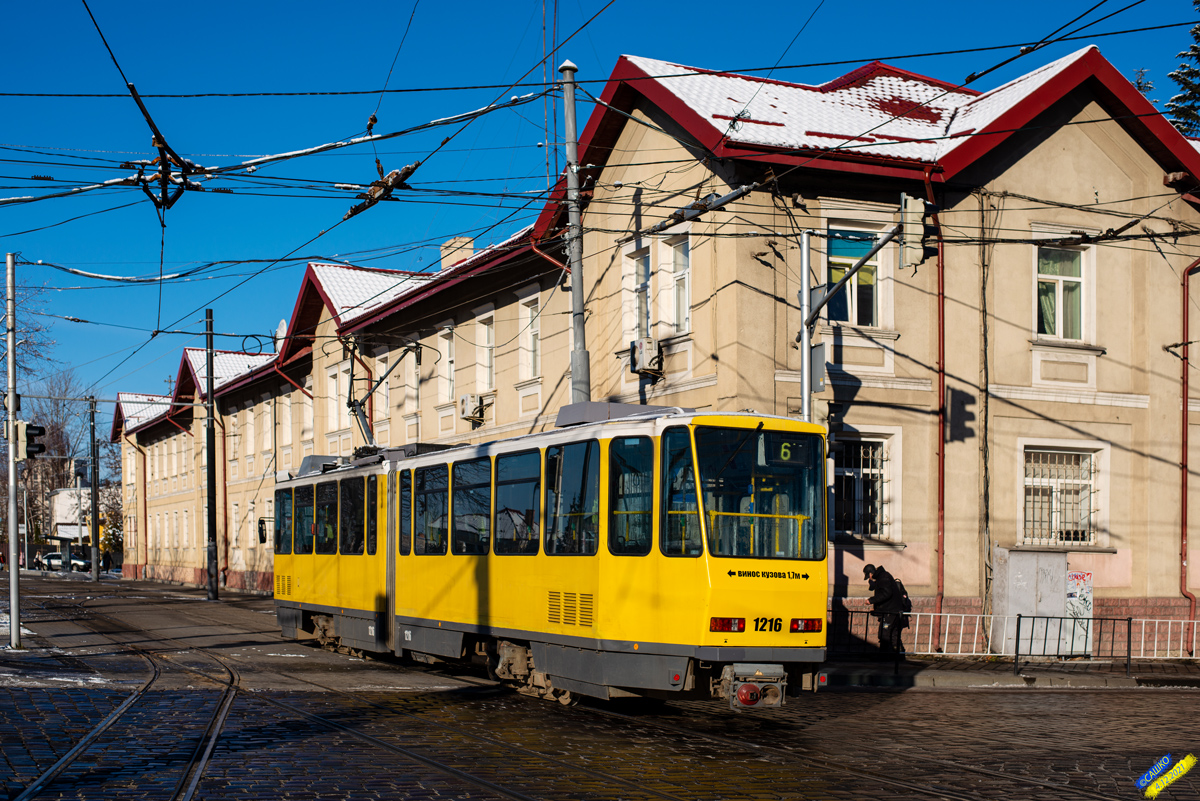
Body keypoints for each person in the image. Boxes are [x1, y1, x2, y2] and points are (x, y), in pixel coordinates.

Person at [863, 563, 905, 656]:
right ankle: (899, 656)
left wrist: (871, 600)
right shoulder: (883, 576)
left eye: (868, 576)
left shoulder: (883, 577)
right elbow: (883, 591)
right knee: (894, 634)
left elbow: (886, 593)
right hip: (893, 610)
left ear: (870, 573)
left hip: (889, 611)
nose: (869, 578)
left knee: (884, 634)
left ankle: (884, 656)